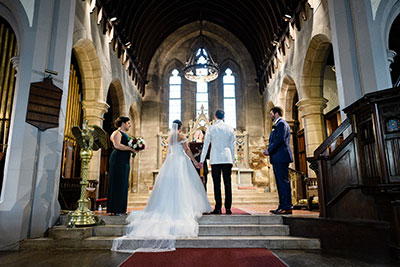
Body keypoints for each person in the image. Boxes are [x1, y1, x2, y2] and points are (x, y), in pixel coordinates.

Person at [112, 120, 212, 253]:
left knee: (169, 187)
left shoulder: (170, 137)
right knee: (183, 185)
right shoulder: (181, 137)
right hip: (181, 162)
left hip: (170, 162)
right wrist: (194, 161)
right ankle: (181, 206)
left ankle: (166, 207)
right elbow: (187, 149)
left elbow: (167, 151)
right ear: (180, 128)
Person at [200, 110, 235, 215]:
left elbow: (206, 145)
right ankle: (228, 208)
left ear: (215, 117)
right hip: (227, 158)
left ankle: (218, 208)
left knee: (216, 184)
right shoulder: (230, 128)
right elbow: (232, 146)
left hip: (215, 159)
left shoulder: (211, 128)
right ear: (224, 116)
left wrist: (202, 160)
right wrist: (232, 159)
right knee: (227, 183)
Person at [263, 107, 294, 215]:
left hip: (280, 157)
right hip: (278, 157)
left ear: (276, 114)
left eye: (271, 113)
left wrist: (269, 150)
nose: (270, 116)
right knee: (280, 183)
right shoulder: (279, 124)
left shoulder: (281, 124)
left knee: (283, 183)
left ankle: (287, 207)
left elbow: (279, 140)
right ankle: (282, 206)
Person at [107, 116, 136, 216]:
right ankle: (116, 209)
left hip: (124, 160)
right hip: (118, 159)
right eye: (128, 123)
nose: (130, 125)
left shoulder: (124, 134)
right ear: (123, 123)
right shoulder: (117, 133)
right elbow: (117, 145)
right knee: (117, 182)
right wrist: (131, 149)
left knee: (123, 183)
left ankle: (121, 209)